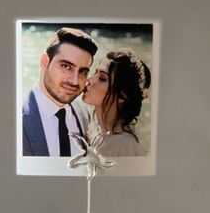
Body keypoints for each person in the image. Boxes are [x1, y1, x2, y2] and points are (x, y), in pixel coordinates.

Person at [22, 27, 98, 157]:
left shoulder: (83, 113)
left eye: (83, 71)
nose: (74, 81)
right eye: (66, 66)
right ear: (45, 62)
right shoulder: (17, 118)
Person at [81, 50, 151, 157]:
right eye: (95, 73)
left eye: (102, 78)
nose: (90, 80)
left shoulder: (121, 146)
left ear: (122, 97)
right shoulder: (97, 131)